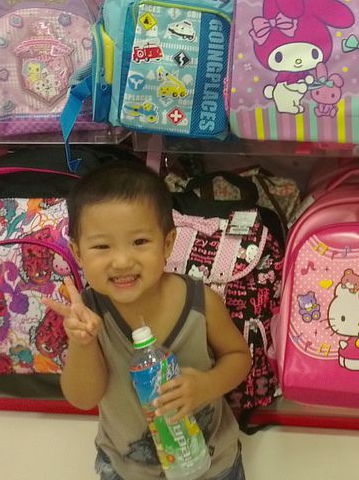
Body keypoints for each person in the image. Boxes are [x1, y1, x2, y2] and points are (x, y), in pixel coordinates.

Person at [44, 161, 252, 480]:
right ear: (78, 252)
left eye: (140, 242)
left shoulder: (201, 301)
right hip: (127, 470)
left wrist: (206, 386)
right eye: (102, 246)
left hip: (212, 467)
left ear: (167, 243)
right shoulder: (87, 314)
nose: (122, 261)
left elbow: (239, 358)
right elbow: (83, 398)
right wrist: (82, 343)